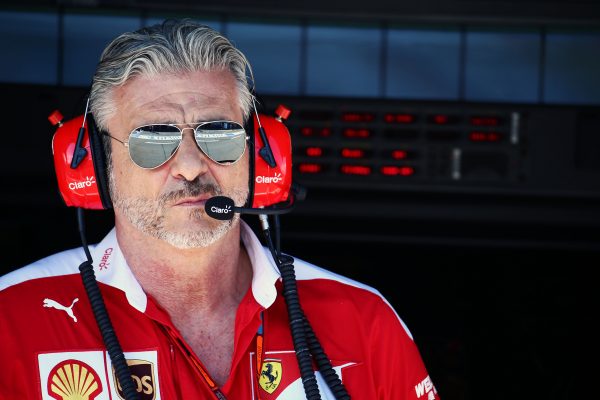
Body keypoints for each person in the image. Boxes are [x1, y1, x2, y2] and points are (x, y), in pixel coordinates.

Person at [0, 18, 440, 399]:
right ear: (96, 164)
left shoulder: (363, 320)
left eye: (219, 133)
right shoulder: (10, 321)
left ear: (261, 155)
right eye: (153, 139)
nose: (191, 167)